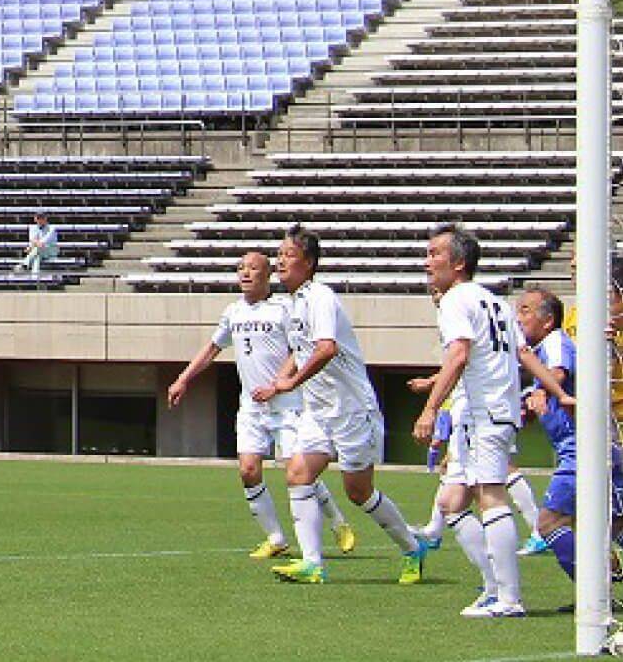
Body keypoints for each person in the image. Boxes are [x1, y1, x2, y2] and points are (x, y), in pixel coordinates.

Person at [410, 226, 573, 617]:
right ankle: (492, 587)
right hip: (485, 411)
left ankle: (509, 598)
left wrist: (430, 408)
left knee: (490, 494)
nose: (427, 261)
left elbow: (459, 355)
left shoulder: (455, 301)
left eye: (435, 254)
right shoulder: (494, 301)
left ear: (459, 262)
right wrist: (559, 391)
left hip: (485, 411)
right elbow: (524, 353)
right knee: (451, 503)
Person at [251, 226, 427, 585]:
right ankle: (312, 563)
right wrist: (277, 383)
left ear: (309, 262)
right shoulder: (294, 303)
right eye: (279, 253)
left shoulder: (321, 297)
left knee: (358, 491)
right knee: (297, 474)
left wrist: (291, 383)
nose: (280, 260)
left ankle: (412, 547)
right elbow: (300, 353)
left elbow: (326, 348)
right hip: (319, 412)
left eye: (288, 254)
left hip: (351, 410)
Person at [168, 253, 354, 559]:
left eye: (253, 268)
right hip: (251, 406)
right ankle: (276, 537)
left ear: (268, 275)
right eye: (241, 268)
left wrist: (278, 383)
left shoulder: (284, 309)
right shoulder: (233, 312)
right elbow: (212, 348)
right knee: (248, 470)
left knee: (298, 471)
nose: (245, 273)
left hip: (287, 404)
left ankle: (338, 522)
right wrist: (183, 378)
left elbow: (301, 349)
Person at [516, 286, 623, 600]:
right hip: (592, 445)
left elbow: (559, 373)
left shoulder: (554, 343)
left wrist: (543, 391)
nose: (518, 317)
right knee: (610, 525)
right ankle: (601, 590)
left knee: (549, 524)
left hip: (581, 449)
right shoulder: (543, 349)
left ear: (547, 320)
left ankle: (595, 598)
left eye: (525, 310)